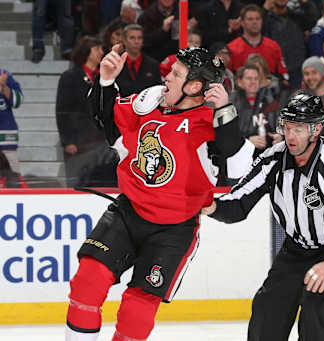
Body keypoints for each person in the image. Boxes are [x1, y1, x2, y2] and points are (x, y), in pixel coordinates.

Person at [65, 46, 254, 341]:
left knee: (136, 314)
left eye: (176, 74)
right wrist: (105, 81)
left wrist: (225, 112)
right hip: (128, 212)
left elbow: (240, 164)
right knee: (87, 283)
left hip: (175, 229)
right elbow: (107, 121)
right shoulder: (149, 102)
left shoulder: (210, 123)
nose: (166, 76)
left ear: (194, 86)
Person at [202, 90, 324, 341]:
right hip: (297, 249)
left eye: (299, 129)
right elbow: (239, 203)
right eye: (287, 127)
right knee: (267, 313)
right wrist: (209, 206)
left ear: (317, 129)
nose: (290, 136)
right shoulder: (274, 159)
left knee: (314, 312)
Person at [55, 36, 116, 187]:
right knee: (78, 180)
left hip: (101, 141)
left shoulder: (104, 77)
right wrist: (67, 141)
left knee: (103, 181)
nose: (101, 52)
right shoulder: (70, 77)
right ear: (86, 52)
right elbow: (62, 110)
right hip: (79, 141)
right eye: (97, 49)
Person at [227, 4, 290, 85]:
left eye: (258, 19)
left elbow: (284, 77)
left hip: (270, 92)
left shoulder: (273, 46)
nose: (254, 22)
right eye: (250, 19)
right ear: (242, 23)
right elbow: (228, 79)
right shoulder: (232, 48)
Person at [262, 0, 319, 88]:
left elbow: (313, 20)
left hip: (298, 71)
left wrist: (304, 2)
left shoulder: (297, 17)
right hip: (275, 73)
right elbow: (256, 29)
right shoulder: (265, 19)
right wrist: (265, 9)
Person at [231, 64, 282, 158]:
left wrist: (280, 137)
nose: (253, 82)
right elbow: (226, 136)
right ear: (239, 82)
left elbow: (280, 125)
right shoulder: (231, 103)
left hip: (267, 155)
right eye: (249, 78)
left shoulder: (269, 99)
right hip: (241, 157)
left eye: (256, 79)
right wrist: (247, 141)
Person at [115, 24, 162, 97]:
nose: (136, 41)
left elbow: (157, 92)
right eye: (132, 38)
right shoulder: (115, 63)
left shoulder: (153, 65)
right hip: (119, 107)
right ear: (124, 40)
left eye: (139, 38)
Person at [0, 67, 23, 173]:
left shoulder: (4, 74)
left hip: (6, 140)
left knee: (12, 182)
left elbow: (18, 101)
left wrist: (4, 86)